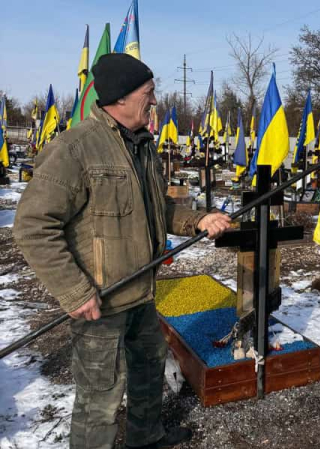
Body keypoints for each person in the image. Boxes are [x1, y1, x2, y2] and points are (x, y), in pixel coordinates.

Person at [14, 53, 231, 449]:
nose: (154, 102)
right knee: (100, 399)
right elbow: (31, 225)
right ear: (119, 98)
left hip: (141, 293)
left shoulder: (143, 145)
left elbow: (156, 206)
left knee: (148, 371)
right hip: (100, 302)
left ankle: (146, 438)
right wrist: (74, 291)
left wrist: (196, 221)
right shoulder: (76, 148)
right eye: (148, 93)